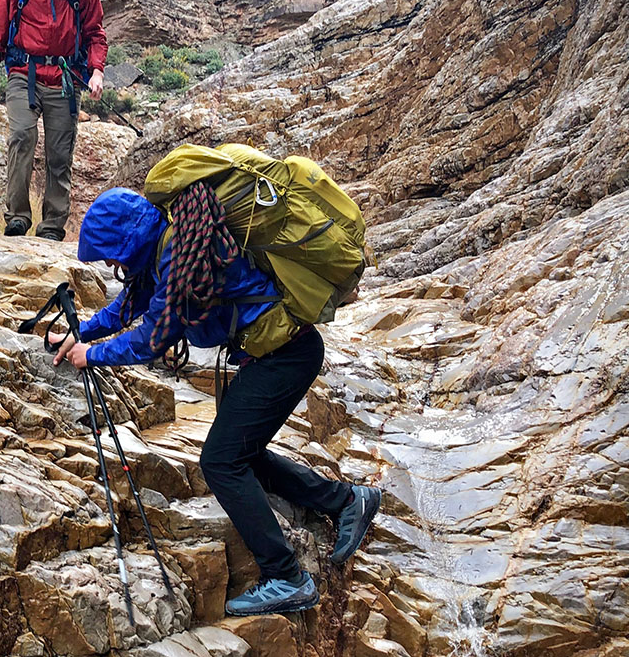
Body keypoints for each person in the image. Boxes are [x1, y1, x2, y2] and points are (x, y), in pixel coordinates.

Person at [50, 186, 382, 616]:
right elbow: (129, 306)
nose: (112, 266)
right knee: (243, 456)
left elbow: (152, 338)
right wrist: (82, 336)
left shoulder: (179, 256)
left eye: (112, 256)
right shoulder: (173, 244)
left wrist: (91, 355)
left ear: (127, 242)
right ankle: (346, 500)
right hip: (279, 354)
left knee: (221, 463)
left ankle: (286, 576)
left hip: (285, 357)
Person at [0, 0, 108, 242]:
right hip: (25, 71)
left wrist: (96, 71)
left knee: (60, 154)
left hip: (65, 79)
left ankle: (52, 227)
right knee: (22, 136)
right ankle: (18, 217)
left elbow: (95, 33)